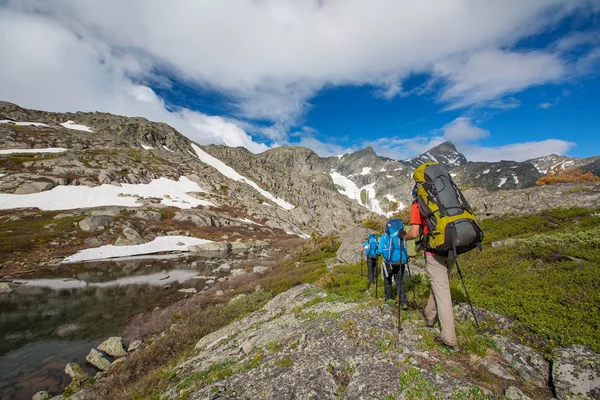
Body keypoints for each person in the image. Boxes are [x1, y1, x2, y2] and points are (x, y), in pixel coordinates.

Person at [404, 183, 459, 351]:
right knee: (439, 284)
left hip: (435, 251)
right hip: (453, 246)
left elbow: (414, 233)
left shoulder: (417, 203)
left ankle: (450, 340)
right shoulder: (445, 198)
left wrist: (403, 236)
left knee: (442, 289)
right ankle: (429, 316)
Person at [376, 221, 408, 309]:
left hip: (388, 262)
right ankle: (403, 302)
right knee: (400, 282)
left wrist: (377, 252)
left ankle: (389, 299)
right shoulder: (401, 234)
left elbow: (380, 249)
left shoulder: (384, 236)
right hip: (401, 260)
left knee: (388, 281)